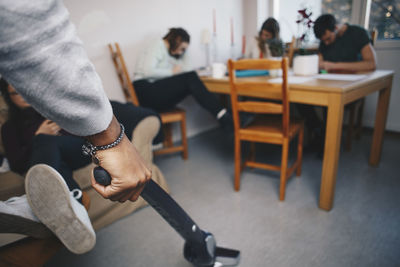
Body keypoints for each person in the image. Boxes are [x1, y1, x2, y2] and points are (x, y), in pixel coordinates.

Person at [0, 0, 158, 254]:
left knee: (52, 143)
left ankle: (47, 203)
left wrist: (109, 135)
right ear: (10, 97)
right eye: (16, 93)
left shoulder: (51, 105)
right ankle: (69, 199)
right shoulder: (10, 128)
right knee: (47, 150)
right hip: (43, 163)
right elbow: (17, 163)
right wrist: (39, 137)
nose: (25, 95)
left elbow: (82, 133)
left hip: (75, 149)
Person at [133, 28, 233, 132]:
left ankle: (224, 115)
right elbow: (147, 71)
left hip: (152, 92)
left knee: (191, 78)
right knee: (190, 78)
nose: (182, 52)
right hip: (144, 91)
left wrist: (184, 52)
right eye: (182, 48)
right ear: (177, 40)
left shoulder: (169, 54)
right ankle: (224, 116)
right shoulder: (158, 44)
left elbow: (188, 69)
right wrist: (172, 72)